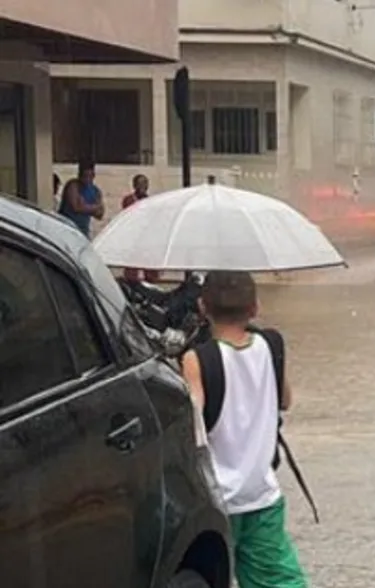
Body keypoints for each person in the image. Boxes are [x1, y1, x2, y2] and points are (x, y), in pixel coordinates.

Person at [182, 271, 309, 588]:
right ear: (254, 307)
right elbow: (286, 400)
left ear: (202, 307)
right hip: (261, 495)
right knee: (279, 579)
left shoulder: (197, 359)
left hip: (216, 501)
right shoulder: (271, 344)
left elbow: (192, 430)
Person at [121, 174, 162, 282]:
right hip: (133, 239)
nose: (143, 186)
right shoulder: (129, 200)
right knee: (132, 269)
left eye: (145, 183)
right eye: (140, 184)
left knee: (150, 270)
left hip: (147, 238)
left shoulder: (151, 201)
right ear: (134, 185)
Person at [58, 162, 105, 236]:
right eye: (85, 176)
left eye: (90, 176)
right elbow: (77, 207)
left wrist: (86, 206)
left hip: (83, 231)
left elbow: (100, 214)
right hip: (67, 227)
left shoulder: (96, 191)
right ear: (79, 175)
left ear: (93, 175)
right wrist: (94, 207)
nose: (87, 179)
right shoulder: (73, 185)